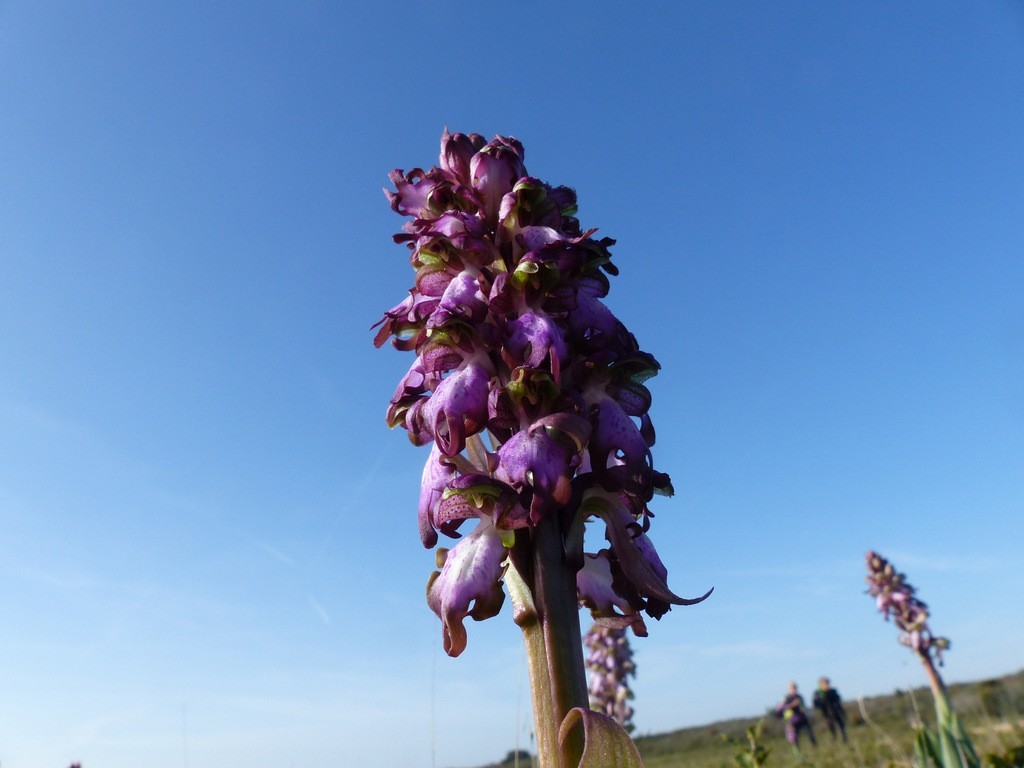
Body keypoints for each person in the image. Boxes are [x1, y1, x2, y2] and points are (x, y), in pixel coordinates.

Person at [776, 681, 816, 750]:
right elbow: (783, 708)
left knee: (810, 733)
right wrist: (793, 704)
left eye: (795, 688)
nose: (794, 690)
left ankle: (815, 748)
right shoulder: (787, 698)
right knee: (795, 737)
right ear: (789, 689)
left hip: (802, 718)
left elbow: (803, 706)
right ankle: (797, 751)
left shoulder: (799, 696)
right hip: (793, 720)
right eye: (792, 688)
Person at [813, 676, 848, 743]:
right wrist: (822, 701)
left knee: (841, 725)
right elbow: (816, 704)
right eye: (824, 683)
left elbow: (838, 700)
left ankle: (845, 739)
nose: (826, 684)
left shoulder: (833, 691)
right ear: (820, 684)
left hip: (836, 710)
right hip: (827, 713)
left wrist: (841, 710)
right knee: (831, 726)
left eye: (827, 682)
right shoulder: (817, 693)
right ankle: (834, 739)